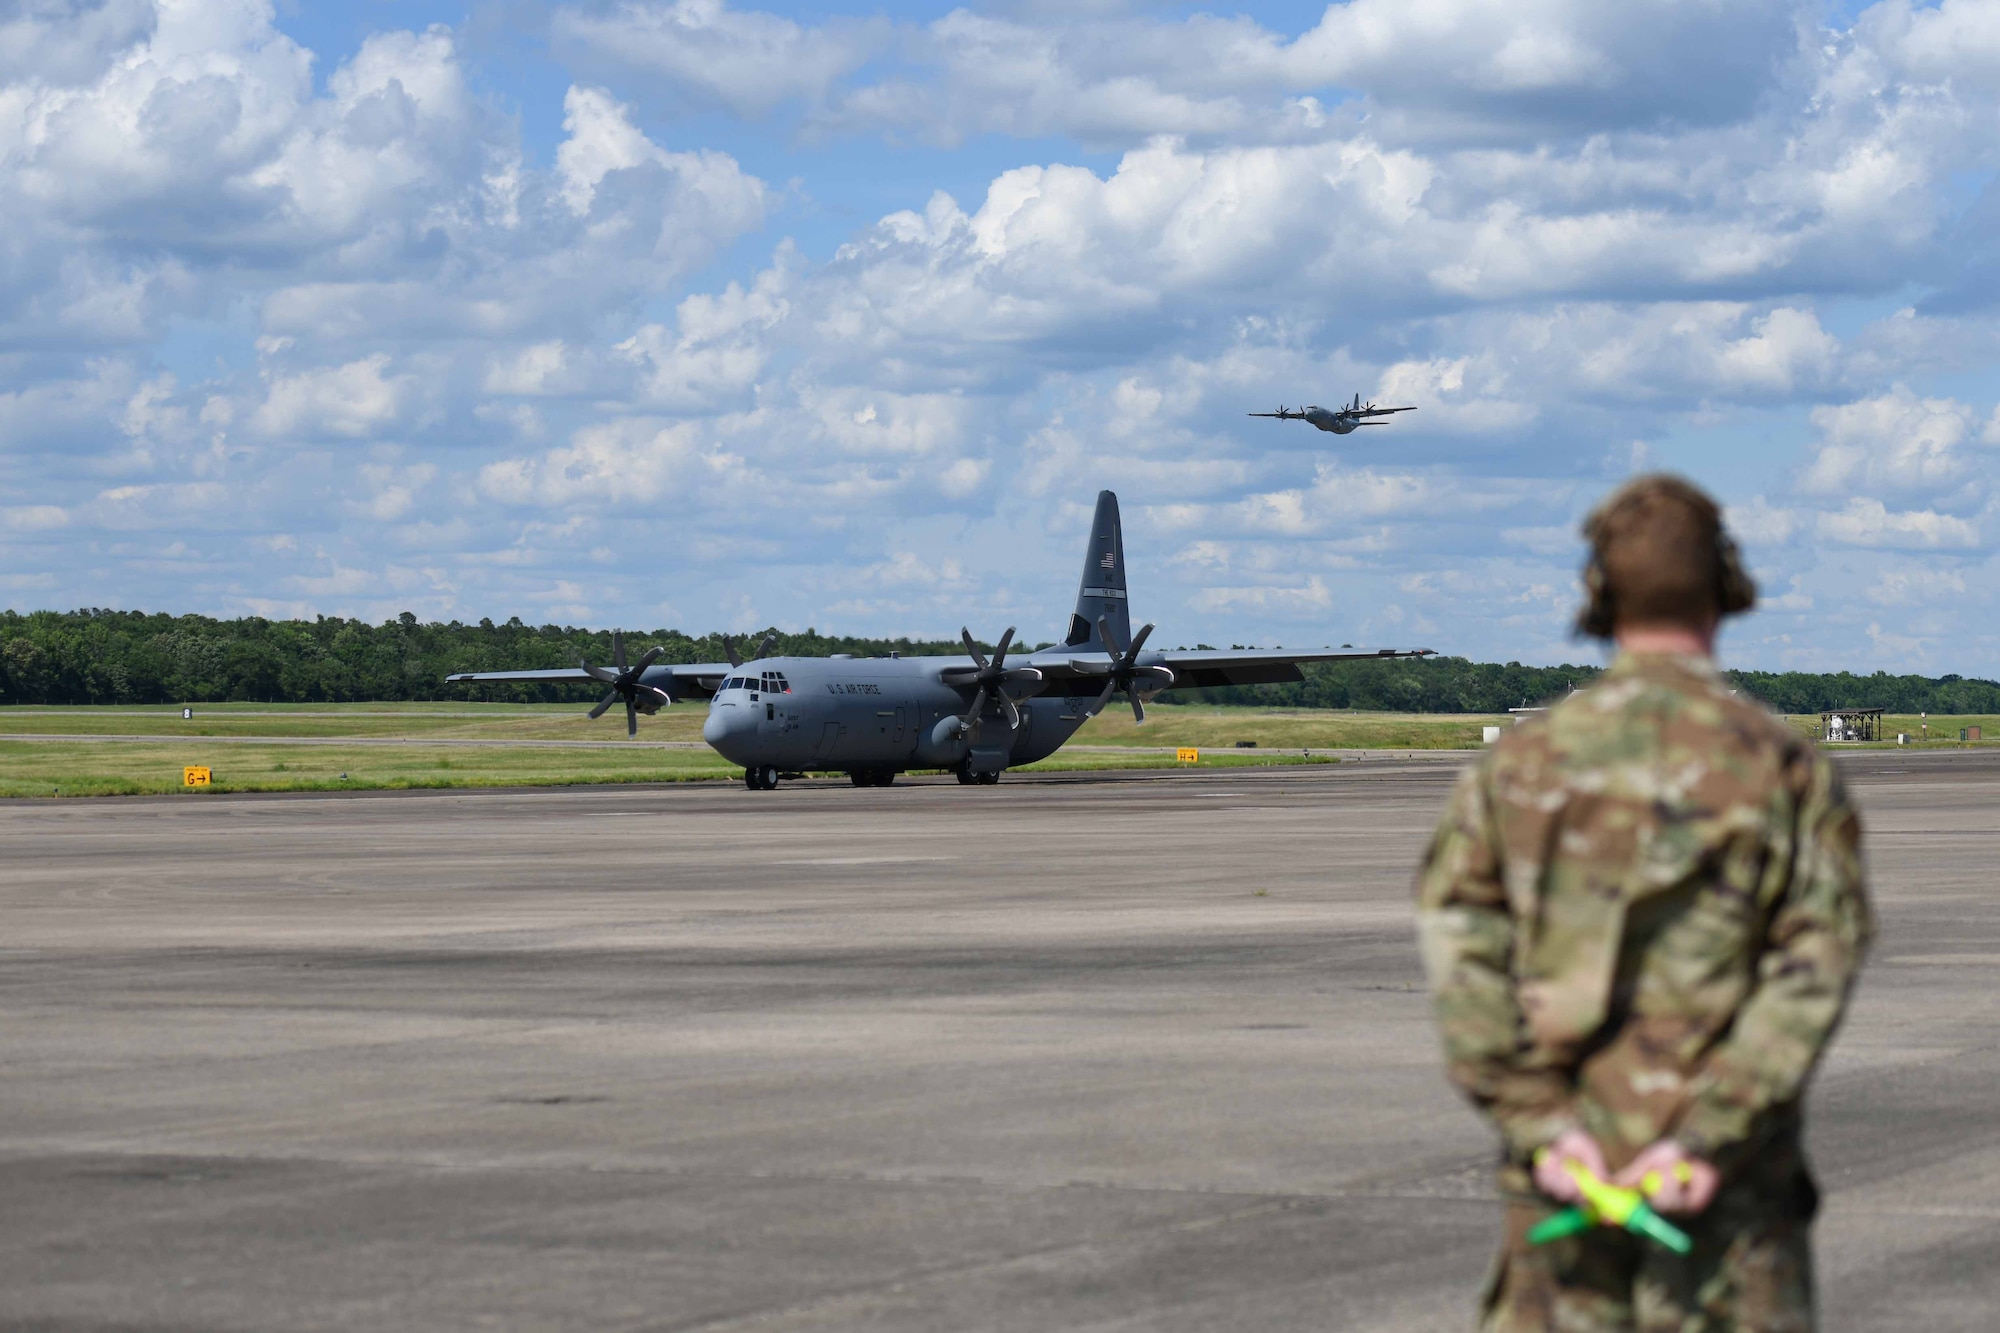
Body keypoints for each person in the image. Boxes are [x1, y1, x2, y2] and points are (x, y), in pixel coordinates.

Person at [1415, 474, 1874, 1332]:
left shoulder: (1517, 766)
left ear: (1598, 594)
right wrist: (1706, 1135)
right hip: (1726, 1199)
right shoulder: (1784, 769)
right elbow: (1816, 965)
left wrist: (1547, 1129)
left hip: (1563, 1199)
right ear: (1727, 590)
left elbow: (1461, 959)